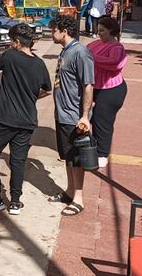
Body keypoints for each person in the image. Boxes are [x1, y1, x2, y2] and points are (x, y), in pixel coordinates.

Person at [0, 24, 52, 216]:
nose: (10, 44)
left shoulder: (9, 56)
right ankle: (15, 202)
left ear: (16, 42)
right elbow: (47, 90)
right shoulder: (40, 64)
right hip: (27, 120)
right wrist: (31, 97)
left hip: (3, 118)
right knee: (18, 161)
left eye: (11, 41)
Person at [48, 15, 95, 216]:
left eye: (53, 30)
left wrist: (84, 116)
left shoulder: (80, 53)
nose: (51, 34)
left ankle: (79, 198)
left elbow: (88, 85)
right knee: (67, 156)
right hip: (62, 113)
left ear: (64, 31)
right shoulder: (66, 51)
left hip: (73, 116)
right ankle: (69, 191)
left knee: (76, 159)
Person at [87, 17, 127, 168]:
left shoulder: (117, 48)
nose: (99, 34)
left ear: (111, 30)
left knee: (102, 121)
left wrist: (92, 57)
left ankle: (102, 153)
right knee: (90, 117)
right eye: (98, 31)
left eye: (102, 31)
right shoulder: (95, 43)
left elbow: (115, 64)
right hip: (95, 86)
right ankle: (91, 146)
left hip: (111, 90)